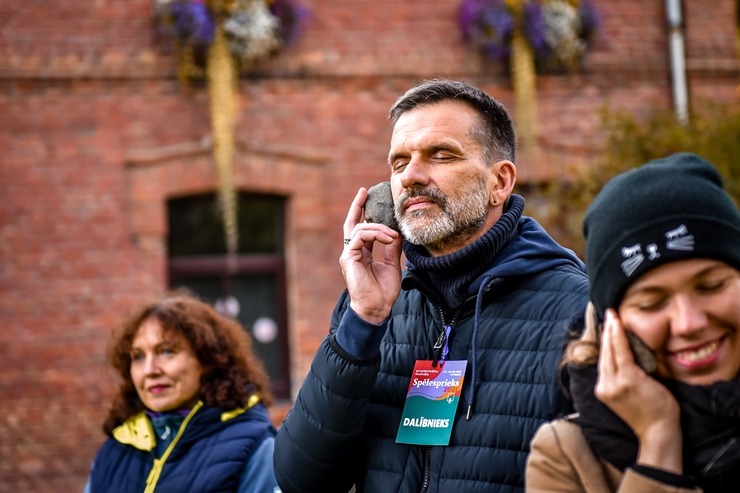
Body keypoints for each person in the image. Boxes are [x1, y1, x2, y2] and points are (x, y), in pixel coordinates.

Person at [274, 79, 590, 492]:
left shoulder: (579, 311)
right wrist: (363, 322)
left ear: (500, 183)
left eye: (441, 156)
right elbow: (303, 480)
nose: (412, 177)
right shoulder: (371, 306)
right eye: (399, 162)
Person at [526, 152, 740, 492]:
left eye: (711, 286)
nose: (689, 323)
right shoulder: (566, 456)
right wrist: (658, 442)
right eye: (651, 303)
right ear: (610, 325)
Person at [85, 290, 280, 493]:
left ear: (208, 359)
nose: (149, 370)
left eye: (167, 351)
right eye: (138, 357)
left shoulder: (255, 448)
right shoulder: (114, 450)